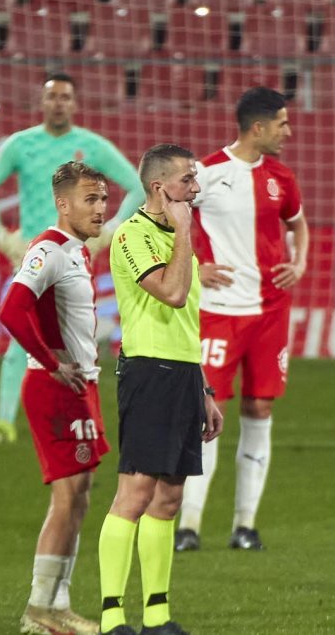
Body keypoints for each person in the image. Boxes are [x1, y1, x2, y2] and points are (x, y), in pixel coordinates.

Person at [0, 72, 145, 446]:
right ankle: (5, 421)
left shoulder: (91, 146)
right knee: (24, 333)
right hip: (34, 254)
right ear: (42, 102)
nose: (58, 103)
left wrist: (111, 229)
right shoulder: (21, 145)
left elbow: (136, 187)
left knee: (69, 338)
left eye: (65, 97)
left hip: (74, 254)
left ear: (75, 103)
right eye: (52, 96)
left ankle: (72, 418)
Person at [174, 87, 310, 552]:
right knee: (205, 414)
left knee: (260, 409)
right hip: (218, 313)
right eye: (282, 124)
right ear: (258, 127)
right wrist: (195, 268)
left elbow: (298, 224)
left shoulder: (281, 177)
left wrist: (300, 262)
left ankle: (245, 525)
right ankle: (189, 525)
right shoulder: (206, 173)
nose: (288, 132)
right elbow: (164, 221)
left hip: (270, 312)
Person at [99, 144, 224, 635]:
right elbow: (172, 295)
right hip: (148, 372)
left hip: (185, 374)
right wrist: (185, 231)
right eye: (187, 179)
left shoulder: (178, 238)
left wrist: (204, 387)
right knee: (134, 494)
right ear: (159, 187)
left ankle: (156, 616)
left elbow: (188, 321)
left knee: (169, 498)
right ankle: (112, 616)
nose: (195, 187)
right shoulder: (132, 235)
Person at [0, 162, 111, 635]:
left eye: (103, 199)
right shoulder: (49, 249)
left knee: (79, 497)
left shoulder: (77, 250)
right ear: (63, 204)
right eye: (91, 199)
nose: (101, 209)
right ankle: (39, 610)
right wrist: (50, 362)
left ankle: (57, 605)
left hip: (81, 386)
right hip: (56, 389)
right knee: (67, 499)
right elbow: (11, 309)